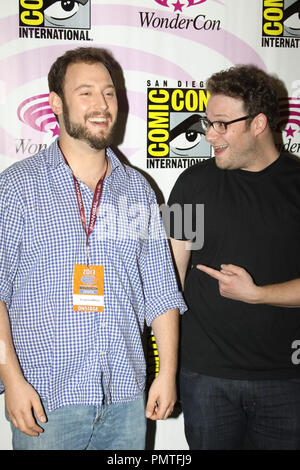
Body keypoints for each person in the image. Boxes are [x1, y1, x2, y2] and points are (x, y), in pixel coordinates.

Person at [0, 47, 186, 450]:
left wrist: (166, 373)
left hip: (125, 399)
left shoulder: (138, 189)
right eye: (85, 93)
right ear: (55, 104)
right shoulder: (18, 187)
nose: (102, 105)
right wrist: (11, 380)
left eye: (109, 92)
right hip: (46, 401)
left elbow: (161, 291)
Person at [168, 64, 300, 450]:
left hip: (286, 380)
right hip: (205, 377)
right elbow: (168, 277)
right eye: (208, 122)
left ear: (259, 123)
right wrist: (166, 367)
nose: (210, 134)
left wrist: (258, 294)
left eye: (222, 124)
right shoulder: (190, 182)